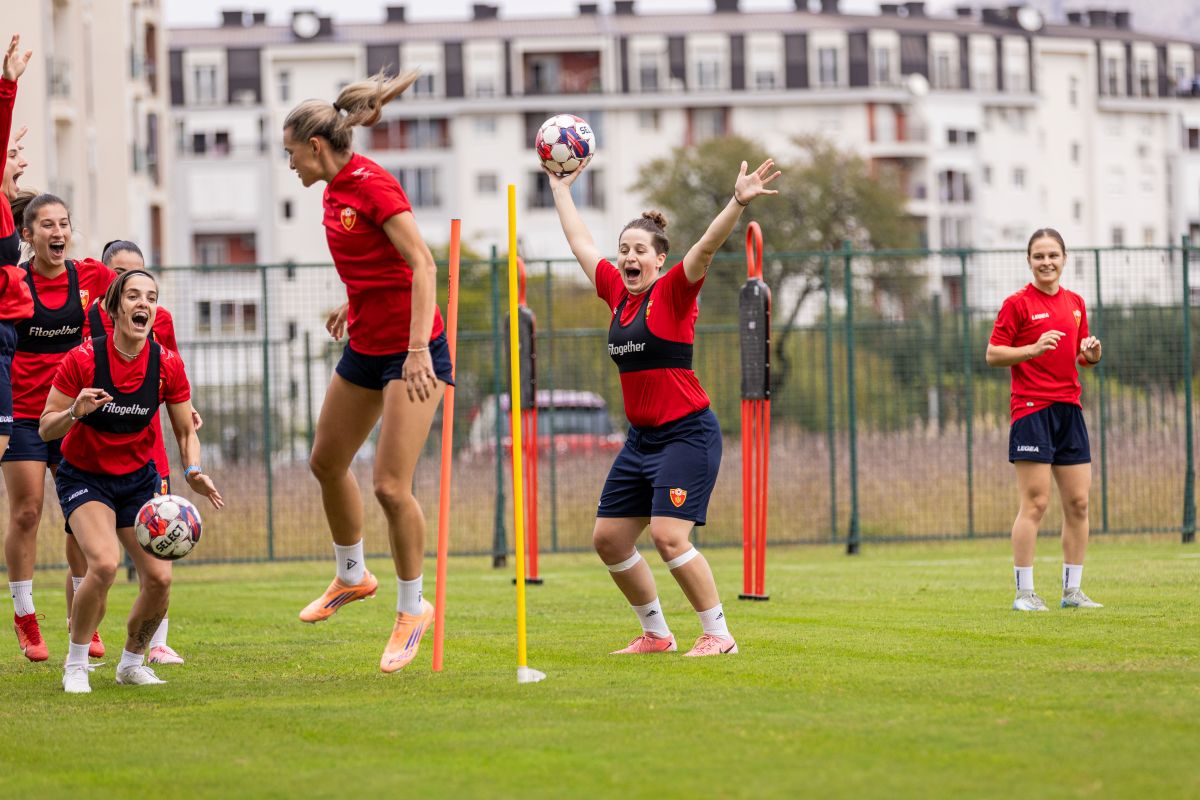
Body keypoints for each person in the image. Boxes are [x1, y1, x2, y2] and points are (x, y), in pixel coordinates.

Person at [546, 156, 780, 656]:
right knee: (608, 539)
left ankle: (719, 635)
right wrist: (560, 188)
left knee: (670, 538)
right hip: (641, 441)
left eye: (639, 251)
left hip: (686, 434)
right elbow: (580, 243)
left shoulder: (673, 292)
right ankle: (656, 634)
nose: (628, 257)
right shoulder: (616, 293)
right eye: (623, 250)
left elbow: (707, 245)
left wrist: (737, 200)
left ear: (658, 260)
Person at [282, 69, 453, 673]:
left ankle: (413, 609)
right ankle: (352, 576)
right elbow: (376, 269)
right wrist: (351, 304)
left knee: (388, 485)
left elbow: (423, 265)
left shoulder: (373, 186)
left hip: (413, 350)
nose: (291, 165)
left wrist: (415, 350)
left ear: (316, 147)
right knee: (325, 461)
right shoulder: (332, 191)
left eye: (291, 153)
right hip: (368, 341)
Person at [40, 268, 221, 693]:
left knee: (160, 579)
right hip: (84, 477)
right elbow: (47, 427)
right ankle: (77, 663)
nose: (144, 303)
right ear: (115, 306)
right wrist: (75, 412)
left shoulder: (167, 364)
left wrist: (193, 470)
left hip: (139, 481)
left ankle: (132, 663)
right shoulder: (84, 359)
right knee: (102, 564)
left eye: (151, 297)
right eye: (134, 296)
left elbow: (184, 431)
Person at [4, 193, 115, 662]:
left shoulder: (92, 277)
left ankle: (80, 618)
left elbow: (138, 294)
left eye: (64, 224)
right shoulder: (14, 283)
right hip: (27, 416)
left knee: (78, 519)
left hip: (75, 418)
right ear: (26, 235)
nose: (58, 232)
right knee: (27, 512)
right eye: (46, 225)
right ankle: (25, 616)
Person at [73, 239, 192, 666]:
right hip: (87, 457)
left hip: (143, 454)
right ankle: (82, 645)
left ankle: (151, 646)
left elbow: (174, 377)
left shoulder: (161, 327)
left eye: (144, 281)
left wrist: (187, 418)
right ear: (110, 287)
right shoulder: (87, 328)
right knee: (94, 559)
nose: (136, 290)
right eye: (123, 278)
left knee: (161, 550)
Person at [986, 228, 1104, 612]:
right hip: (1032, 410)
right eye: (1039, 256)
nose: (1046, 262)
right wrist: (1031, 349)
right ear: (1029, 261)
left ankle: (1072, 591)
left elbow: (1081, 357)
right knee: (1035, 503)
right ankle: (1024, 593)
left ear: (1064, 259)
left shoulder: (1075, 303)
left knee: (1079, 503)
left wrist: (1092, 352)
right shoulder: (1017, 304)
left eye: (1053, 255)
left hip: (1069, 410)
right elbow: (992, 354)